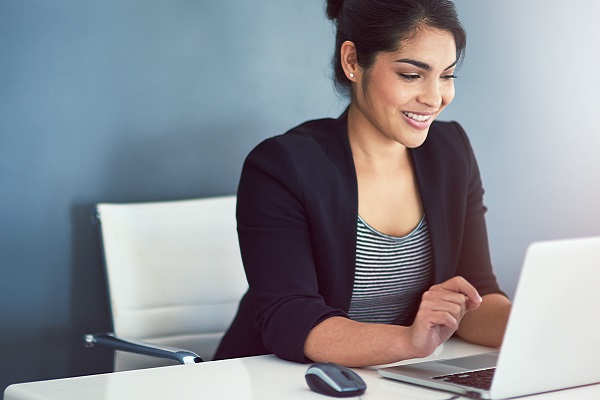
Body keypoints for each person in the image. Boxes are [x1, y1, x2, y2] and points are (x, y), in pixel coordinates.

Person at [215, 0, 512, 367]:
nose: (434, 98)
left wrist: (551, 327)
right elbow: (289, 319)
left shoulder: (451, 152)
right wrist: (409, 341)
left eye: (447, 75)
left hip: (390, 377)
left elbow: (477, 297)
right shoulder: (282, 166)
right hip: (283, 381)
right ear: (353, 61)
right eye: (410, 74)